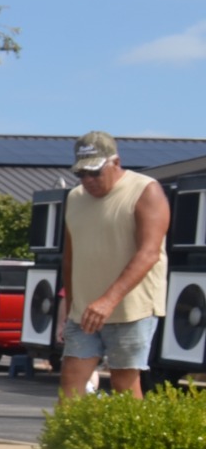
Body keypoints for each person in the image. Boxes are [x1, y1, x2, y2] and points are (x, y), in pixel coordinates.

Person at [59, 131, 169, 403]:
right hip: (84, 311)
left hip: (131, 309)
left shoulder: (145, 190)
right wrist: (70, 307)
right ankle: (66, 433)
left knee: (123, 382)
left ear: (116, 162)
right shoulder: (75, 197)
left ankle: (131, 432)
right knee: (71, 380)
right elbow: (70, 258)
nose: (88, 180)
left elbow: (149, 253)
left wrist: (108, 301)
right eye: (81, 174)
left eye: (95, 172)